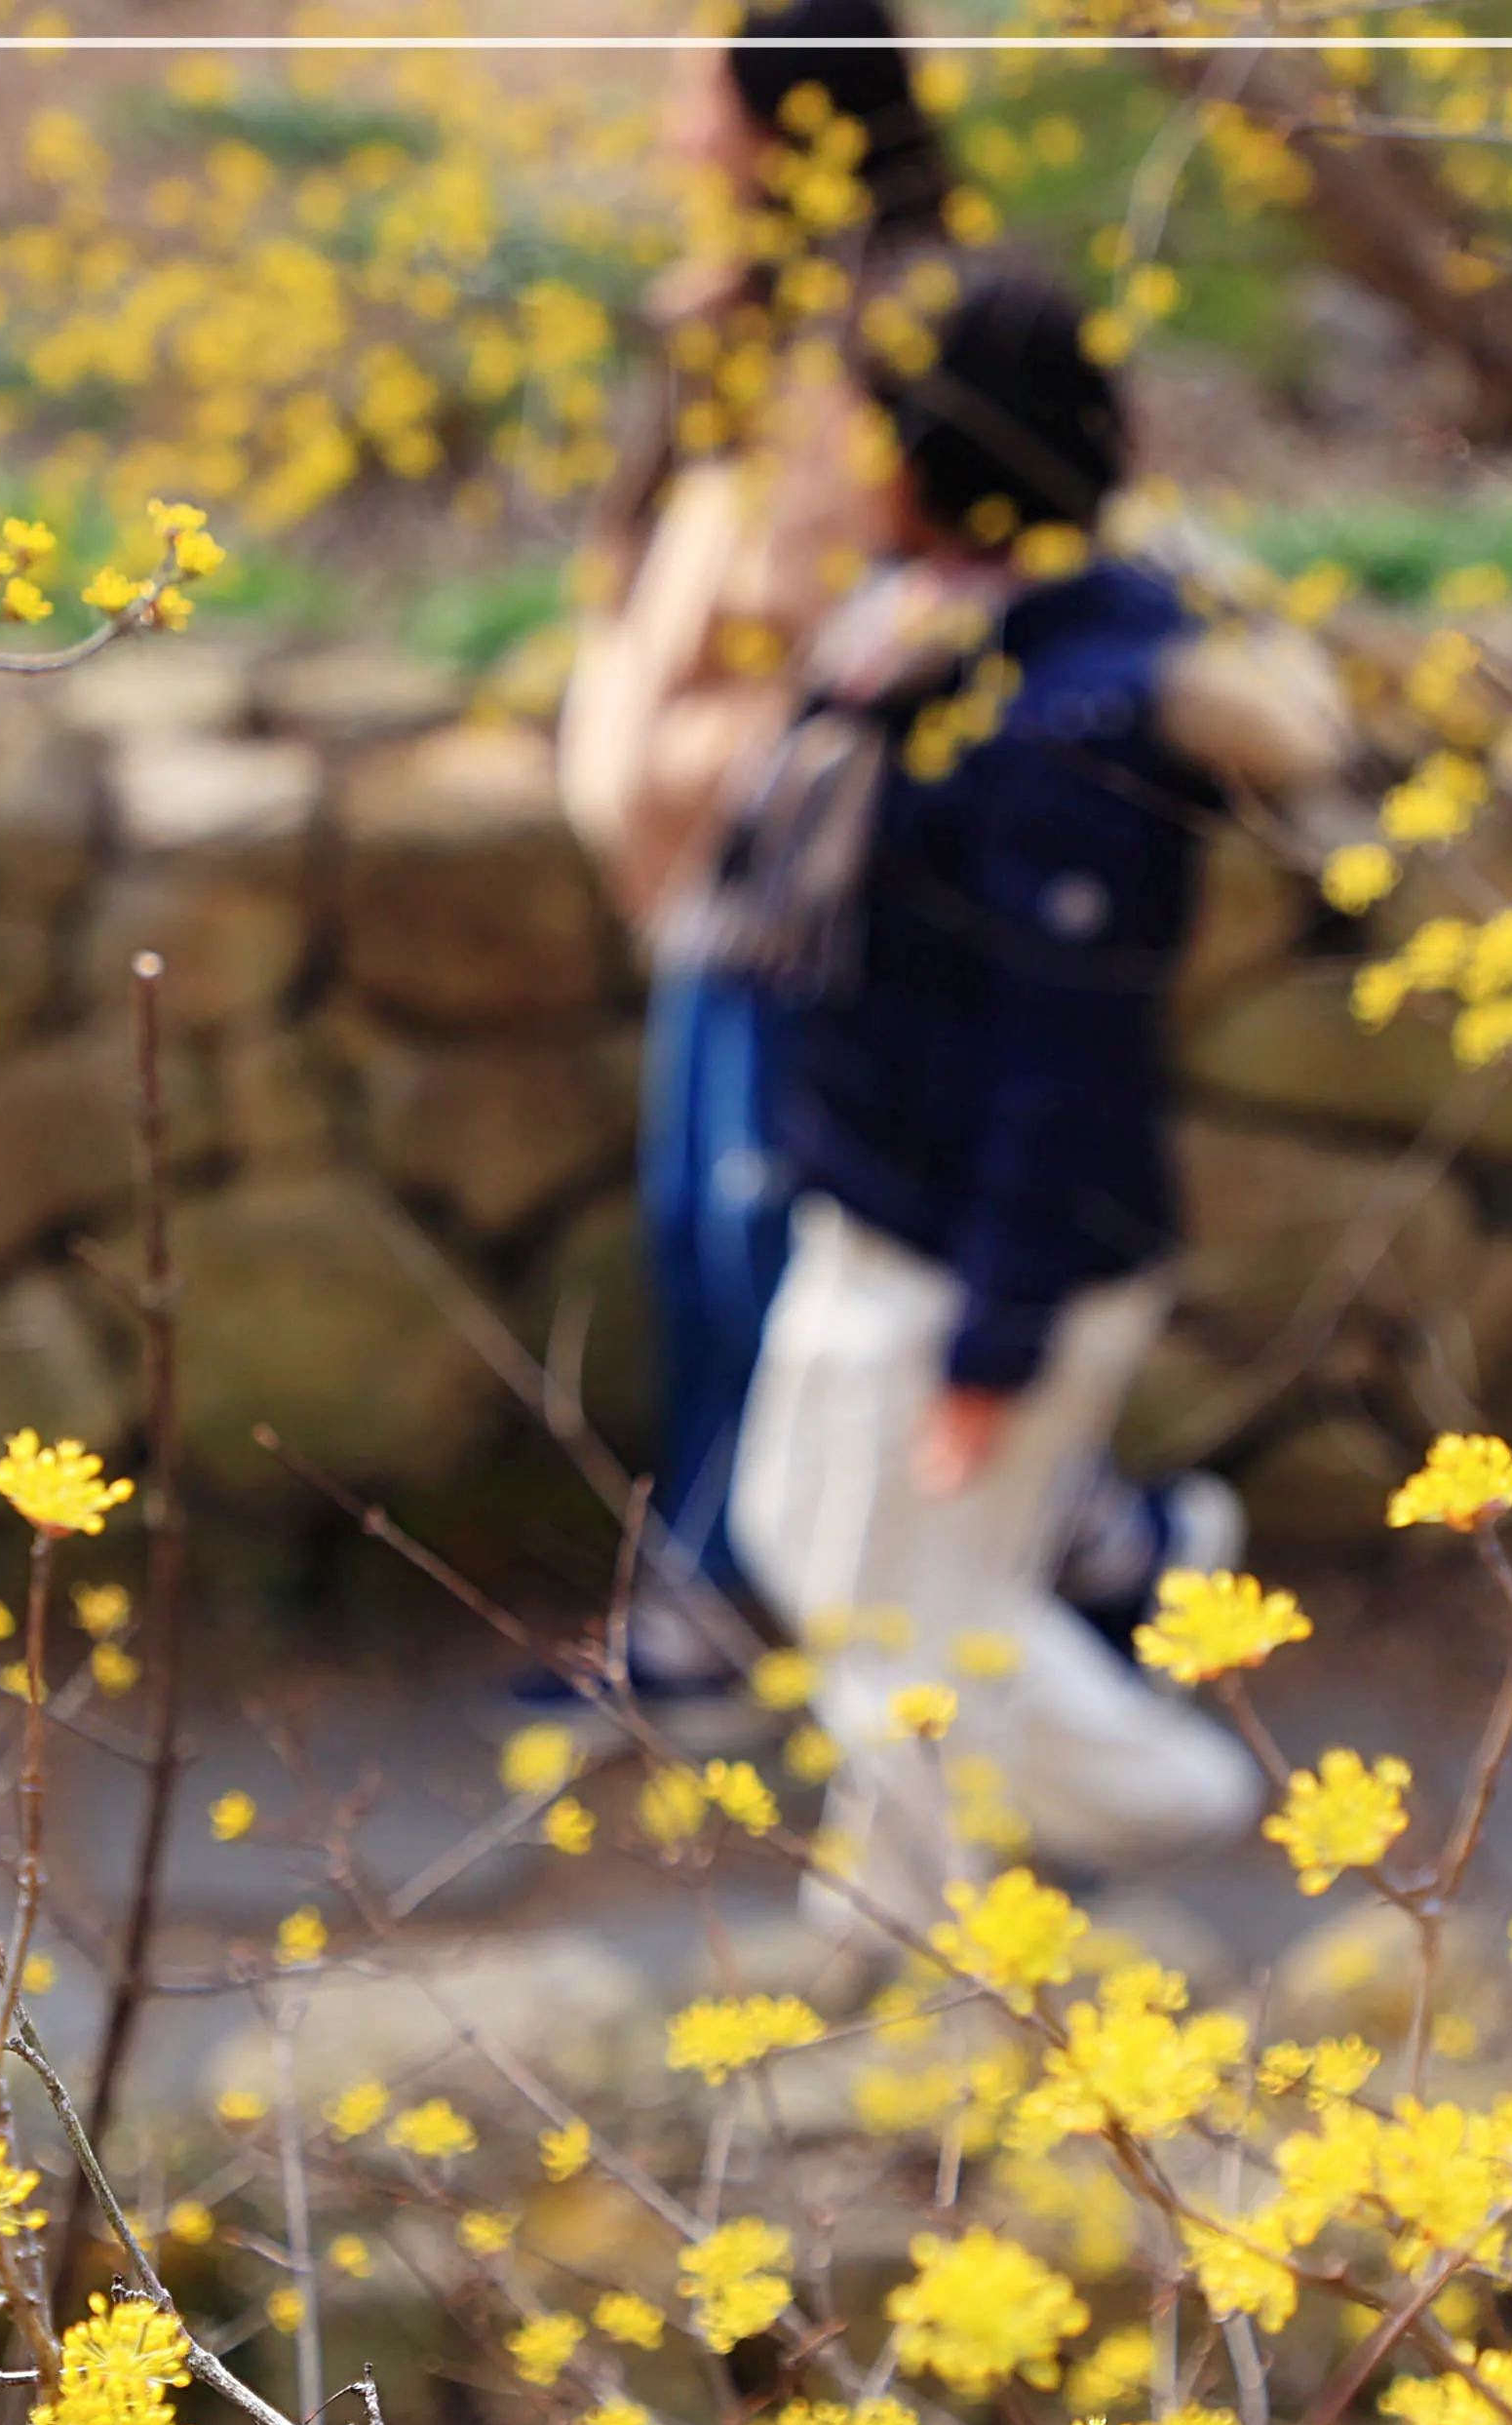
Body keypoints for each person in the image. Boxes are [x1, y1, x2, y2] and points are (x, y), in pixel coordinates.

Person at [717, 259, 1306, 1943]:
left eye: (867, 429)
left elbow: (1069, 1063)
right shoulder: (944, 640)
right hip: (884, 1199)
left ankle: (925, 1908)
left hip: (972, 1245)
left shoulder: (1070, 720)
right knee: (819, 1555)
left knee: (902, 1619)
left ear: (934, 457)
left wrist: (995, 1345)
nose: (836, 465)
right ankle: (1118, 1786)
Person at [554, 1, 949, 1705]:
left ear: (791, 118)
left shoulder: (896, 331)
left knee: (764, 1240)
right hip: (709, 878)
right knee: (703, 1237)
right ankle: (730, 1585)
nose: (672, 121)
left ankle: (729, 1598)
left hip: (814, 875)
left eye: (700, 86)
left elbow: (853, 603)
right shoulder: (725, 323)